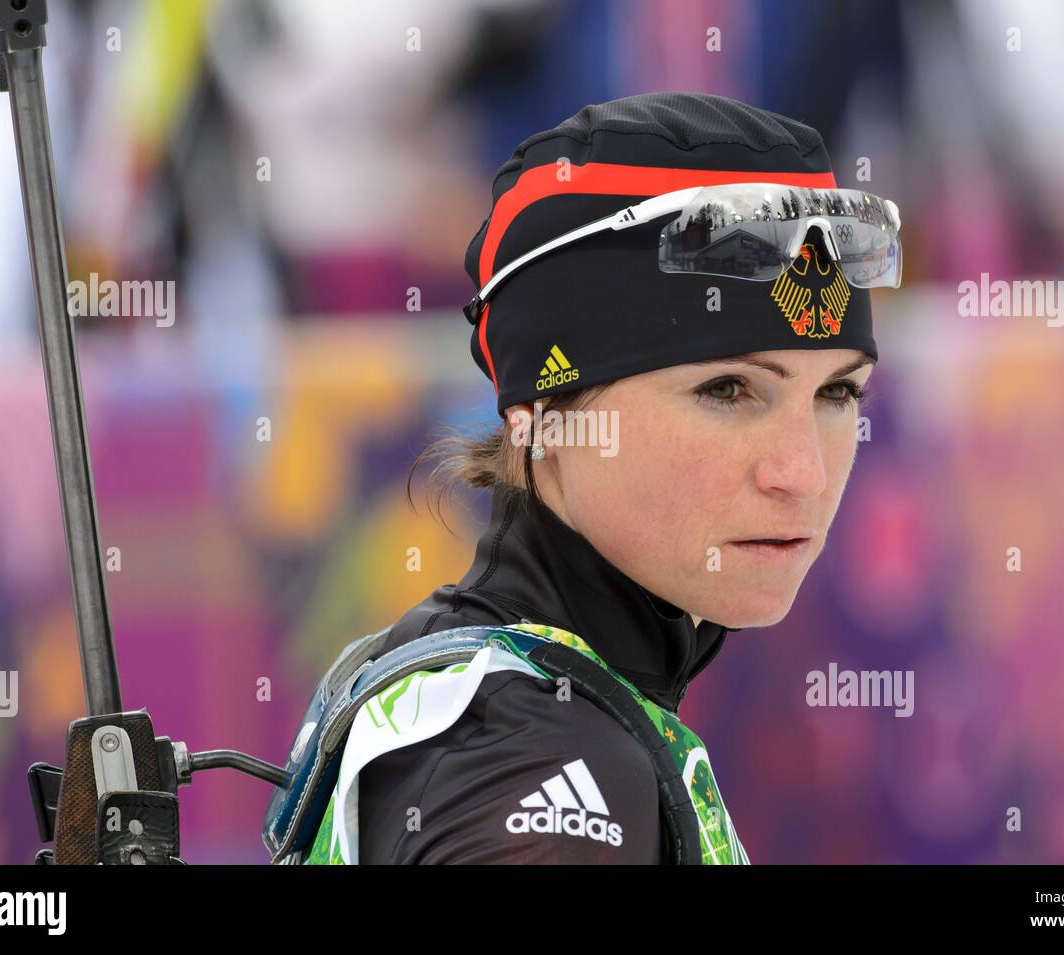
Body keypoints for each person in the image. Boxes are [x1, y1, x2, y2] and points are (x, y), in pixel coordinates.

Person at [303, 91, 901, 864]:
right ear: (544, 410)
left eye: (836, 393)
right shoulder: (540, 769)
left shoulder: (490, 687)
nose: (801, 472)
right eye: (726, 390)